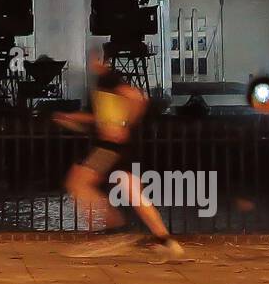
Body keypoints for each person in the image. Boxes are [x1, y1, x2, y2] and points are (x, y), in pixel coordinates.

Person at [54, 56, 185, 258]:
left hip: (109, 148)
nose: (92, 62)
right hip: (121, 148)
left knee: (77, 182)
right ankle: (166, 241)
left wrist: (124, 125)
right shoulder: (104, 86)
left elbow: (138, 98)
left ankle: (113, 226)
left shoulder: (110, 79)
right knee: (135, 195)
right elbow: (103, 119)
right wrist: (72, 118)